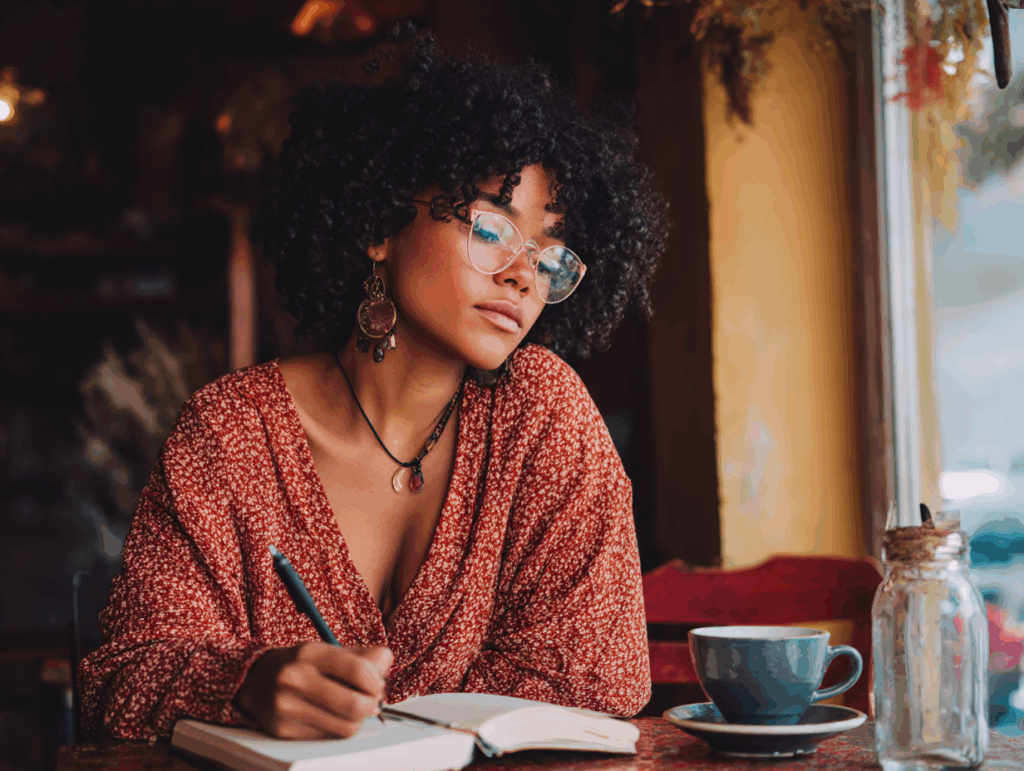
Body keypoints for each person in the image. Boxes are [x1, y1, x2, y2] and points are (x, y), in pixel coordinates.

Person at [79, 33, 669, 742]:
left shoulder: (543, 414)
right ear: (376, 225)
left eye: (549, 254)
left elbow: (602, 674)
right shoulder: (231, 431)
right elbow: (124, 674)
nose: (523, 274)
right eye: (491, 226)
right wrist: (246, 681)